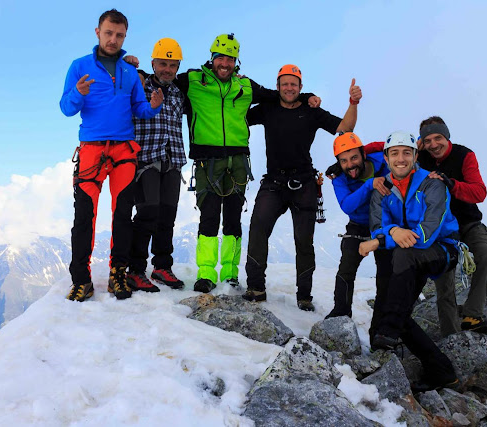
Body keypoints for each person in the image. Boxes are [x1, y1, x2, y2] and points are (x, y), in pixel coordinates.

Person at [141, 34, 320, 293]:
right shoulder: (192, 79)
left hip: (237, 161)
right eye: (221, 58)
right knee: (209, 215)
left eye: (230, 58)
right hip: (207, 160)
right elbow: (160, 77)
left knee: (233, 219)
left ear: (236, 61)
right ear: (212, 58)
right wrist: (136, 71)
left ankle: (230, 274)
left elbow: (278, 95)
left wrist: (309, 95)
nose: (225, 63)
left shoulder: (245, 85)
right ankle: (205, 273)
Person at [60, 9, 163, 301]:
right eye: (108, 33)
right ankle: (81, 279)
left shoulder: (130, 72)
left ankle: (118, 273)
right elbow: (66, 108)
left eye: (119, 35)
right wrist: (78, 93)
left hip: (123, 150)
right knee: (84, 216)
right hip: (92, 149)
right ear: (97, 32)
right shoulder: (79, 66)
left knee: (122, 215)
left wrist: (153, 105)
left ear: (125, 36)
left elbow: (140, 110)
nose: (113, 39)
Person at [242, 65, 360, 311]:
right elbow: (238, 117)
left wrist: (353, 102)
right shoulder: (268, 108)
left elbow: (345, 129)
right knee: (258, 229)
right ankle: (256, 287)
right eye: (284, 84)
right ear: (277, 87)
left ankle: (304, 296)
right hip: (273, 181)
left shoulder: (311, 111)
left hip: (304, 182)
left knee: (304, 242)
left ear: (300, 87)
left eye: (293, 84)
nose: (289, 88)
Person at [360, 131, 459, 392]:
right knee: (399, 307)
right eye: (395, 153)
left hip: (441, 251)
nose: (401, 158)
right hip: (407, 255)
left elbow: (426, 235)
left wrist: (381, 241)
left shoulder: (432, 184)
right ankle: (443, 371)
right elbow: (377, 225)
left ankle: (388, 329)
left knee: (400, 265)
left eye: (407, 152)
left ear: (416, 156)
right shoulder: (383, 188)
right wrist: (392, 233)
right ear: (386, 157)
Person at [417, 116, 487, 335]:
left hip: (468, 222)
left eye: (438, 138)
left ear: (447, 136)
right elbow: (388, 149)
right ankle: (450, 337)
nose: (433, 145)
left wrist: (450, 183)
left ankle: (472, 314)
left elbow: (479, 192)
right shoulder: (418, 156)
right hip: (440, 228)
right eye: (427, 140)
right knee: (444, 282)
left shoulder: (464, 155)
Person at [124, 38, 187, 293]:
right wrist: (127, 65)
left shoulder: (178, 92)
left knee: (167, 216)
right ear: (153, 63)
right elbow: (117, 79)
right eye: (163, 64)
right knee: (147, 213)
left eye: (173, 65)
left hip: (173, 160)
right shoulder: (138, 84)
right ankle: (136, 269)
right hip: (145, 160)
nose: (168, 70)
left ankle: (162, 266)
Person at [323, 132, 392, 323]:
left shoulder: (383, 162)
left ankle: (382, 324)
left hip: (387, 225)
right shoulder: (339, 178)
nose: (350, 165)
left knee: (385, 272)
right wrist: (369, 185)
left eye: (354, 157)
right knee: (346, 267)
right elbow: (347, 205)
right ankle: (341, 314)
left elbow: (389, 145)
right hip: (359, 225)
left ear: (363, 154)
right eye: (343, 161)